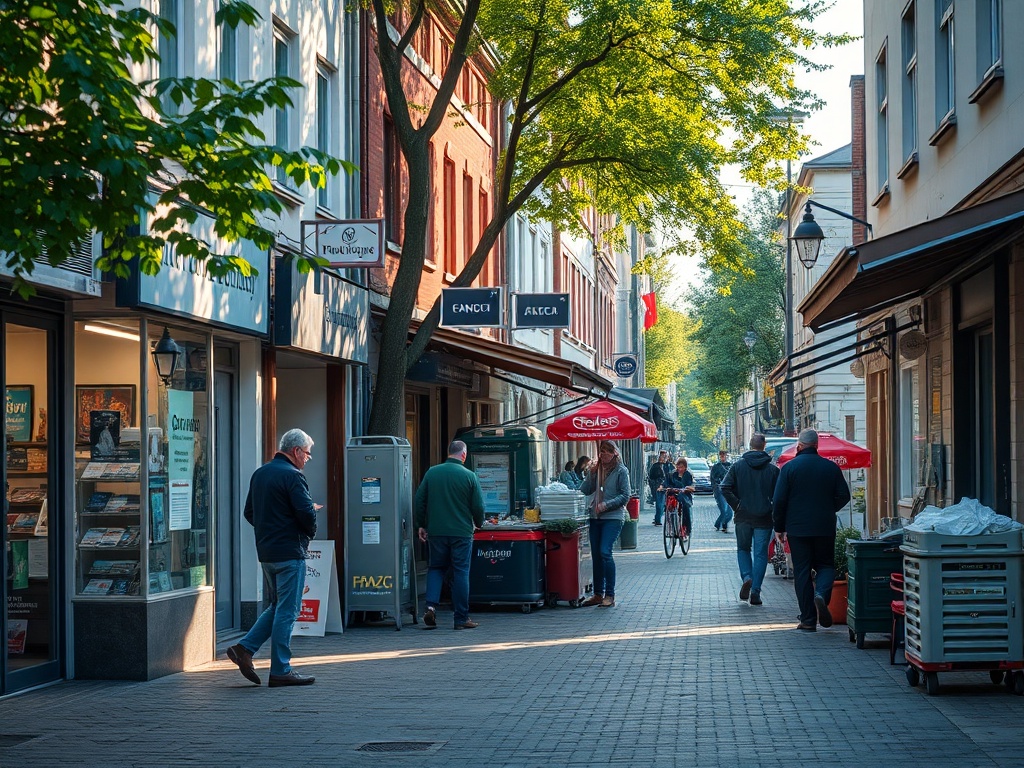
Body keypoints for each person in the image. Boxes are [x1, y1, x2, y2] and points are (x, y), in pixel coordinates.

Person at [227, 428, 321, 687]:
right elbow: (306, 513)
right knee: (288, 611)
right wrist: (307, 532)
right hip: (290, 552)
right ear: (296, 451)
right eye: (307, 454)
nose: (308, 459)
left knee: (277, 605)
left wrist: (270, 529)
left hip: (267, 552)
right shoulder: (293, 476)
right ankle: (281, 669)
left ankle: (244, 648)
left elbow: (250, 512)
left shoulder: (261, 473)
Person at [772, 429, 852, 631]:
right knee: (825, 565)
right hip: (824, 525)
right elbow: (844, 495)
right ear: (817, 446)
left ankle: (808, 619)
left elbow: (779, 500)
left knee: (802, 571)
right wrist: (828, 509)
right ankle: (821, 595)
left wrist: (779, 527)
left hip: (797, 528)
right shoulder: (830, 467)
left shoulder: (789, 468)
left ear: (799, 446)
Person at [415, 440, 485, 630]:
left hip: (436, 531)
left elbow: (420, 500)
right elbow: (478, 506)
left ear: (448, 452)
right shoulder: (469, 476)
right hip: (462, 532)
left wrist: (421, 525)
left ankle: (430, 607)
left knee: (436, 568)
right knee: (461, 571)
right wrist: (479, 523)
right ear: (464, 455)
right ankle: (461, 618)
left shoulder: (432, 472)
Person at [720, 434, 780, 606]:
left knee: (743, 549)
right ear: (764, 446)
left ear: (750, 445)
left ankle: (747, 577)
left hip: (743, 516)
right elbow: (779, 496)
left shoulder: (738, 466)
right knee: (760, 554)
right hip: (764, 517)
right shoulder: (773, 470)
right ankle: (755, 591)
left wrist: (737, 505)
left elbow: (725, 487)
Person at [580, 441, 630, 608]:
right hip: (595, 517)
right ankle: (597, 594)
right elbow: (585, 490)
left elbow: (625, 495)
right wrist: (591, 473)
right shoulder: (597, 469)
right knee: (596, 555)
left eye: (608, 451)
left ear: (615, 453)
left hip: (613, 517)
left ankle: (610, 595)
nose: (604, 454)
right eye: (602, 451)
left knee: (605, 552)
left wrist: (607, 505)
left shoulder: (621, 471)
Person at [662, 457, 695, 538]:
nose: (679, 469)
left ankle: (687, 528)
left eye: (681, 467)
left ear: (685, 467)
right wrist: (663, 487)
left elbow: (691, 485)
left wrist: (687, 488)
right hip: (674, 494)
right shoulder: (672, 474)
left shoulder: (688, 475)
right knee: (669, 503)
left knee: (685, 507)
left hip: (684, 496)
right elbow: (666, 483)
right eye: (678, 467)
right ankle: (671, 523)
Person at [710, 450, 734, 533]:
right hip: (719, 491)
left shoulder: (730, 466)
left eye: (725, 456)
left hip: (729, 491)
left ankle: (722, 524)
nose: (723, 457)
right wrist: (717, 486)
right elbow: (713, 479)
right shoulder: (716, 467)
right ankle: (721, 525)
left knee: (730, 512)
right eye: (722, 456)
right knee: (724, 510)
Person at [647, 450, 672, 526]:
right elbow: (651, 477)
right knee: (660, 504)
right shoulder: (655, 466)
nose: (664, 458)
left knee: (666, 504)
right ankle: (658, 520)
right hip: (659, 488)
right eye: (662, 456)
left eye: (665, 456)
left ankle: (663, 519)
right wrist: (655, 486)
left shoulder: (669, 466)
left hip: (668, 487)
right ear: (659, 457)